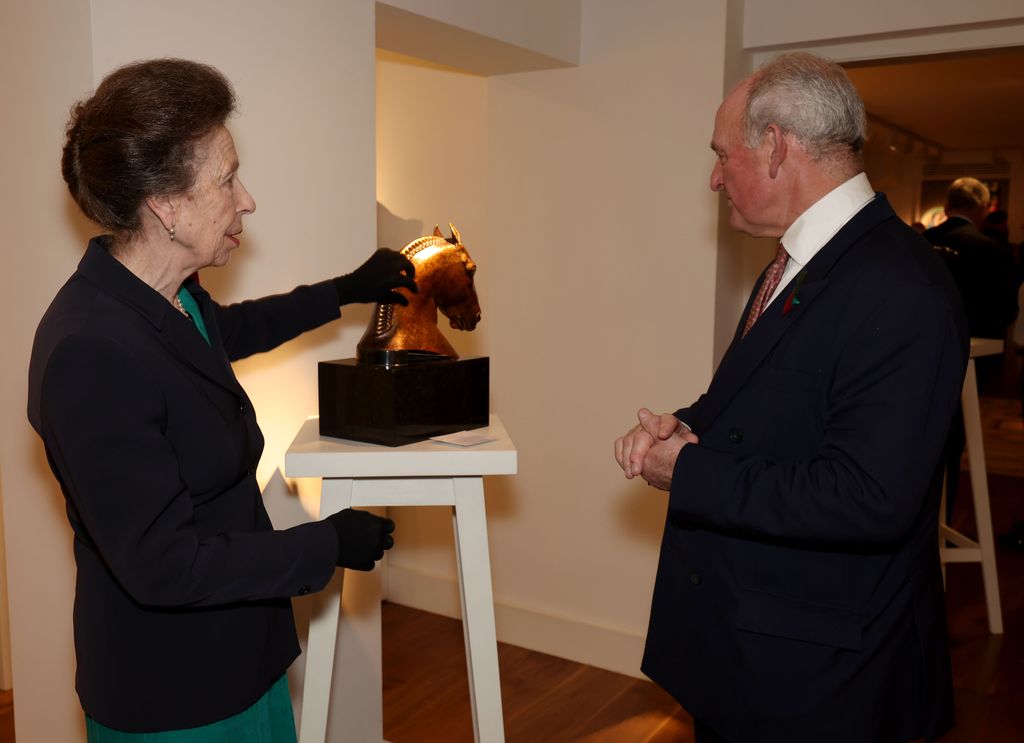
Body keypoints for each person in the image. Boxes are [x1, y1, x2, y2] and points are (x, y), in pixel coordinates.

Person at [27, 59, 414, 740]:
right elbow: (162, 564)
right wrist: (322, 543)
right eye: (227, 179)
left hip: (240, 654)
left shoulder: (167, 296)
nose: (247, 200)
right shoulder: (89, 353)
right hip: (175, 694)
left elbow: (230, 333)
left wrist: (346, 289)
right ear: (166, 206)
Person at [614, 53, 967, 742]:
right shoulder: (802, 260)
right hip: (757, 655)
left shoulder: (901, 289)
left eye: (722, 154)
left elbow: (866, 496)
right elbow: (765, 401)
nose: (714, 177)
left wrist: (687, 471)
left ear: (776, 146)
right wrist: (686, 425)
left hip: (825, 682)